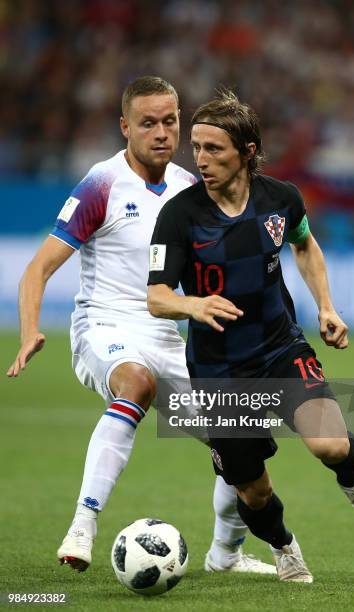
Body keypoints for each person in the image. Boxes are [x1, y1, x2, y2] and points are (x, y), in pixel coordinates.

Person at [7, 77, 276, 576]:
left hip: (167, 333)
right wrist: (29, 332)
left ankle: (227, 555)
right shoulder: (100, 184)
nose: (161, 133)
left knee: (240, 434)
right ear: (125, 126)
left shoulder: (191, 189)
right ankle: (83, 524)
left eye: (170, 121)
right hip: (104, 326)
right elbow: (37, 269)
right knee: (136, 382)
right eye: (148, 123)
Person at [147, 90, 354, 583]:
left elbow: (304, 245)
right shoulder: (180, 215)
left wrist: (325, 305)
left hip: (280, 347)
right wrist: (191, 304)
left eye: (214, 149)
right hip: (218, 370)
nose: (200, 159)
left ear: (248, 151)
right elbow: (156, 296)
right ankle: (284, 546)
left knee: (331, 445)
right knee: (253, 491)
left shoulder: (281, 199)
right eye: (196, 147)